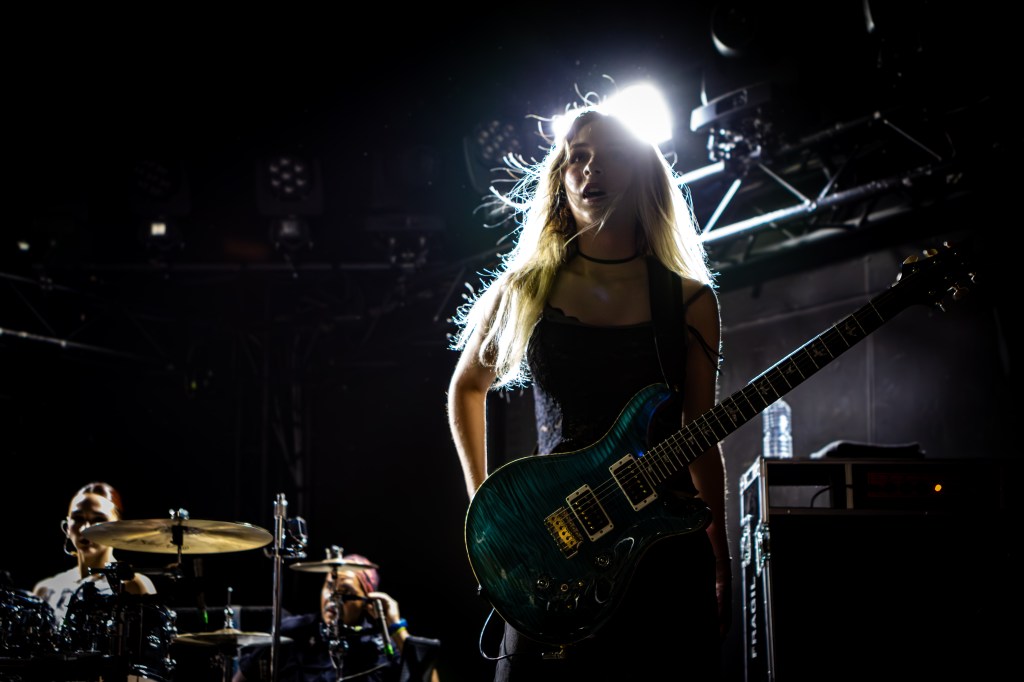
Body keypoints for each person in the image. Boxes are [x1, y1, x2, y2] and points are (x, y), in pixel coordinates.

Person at [446, 105, 732, 680]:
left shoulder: (691, 300)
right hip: (559, 540)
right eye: (578, 157)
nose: (590, 170)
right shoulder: (528, 287)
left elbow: (700, 437)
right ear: (561, 177)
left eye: (610, 157)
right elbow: (466, 389)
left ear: (642, 174)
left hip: (663, 551)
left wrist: (720, 554)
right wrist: (490, 517)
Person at [232, 552, 441, 682]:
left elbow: (428, 679)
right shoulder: (291, 631)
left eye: (345, 590)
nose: (334, 597)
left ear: (367, 601)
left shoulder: (383, 644)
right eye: (329, 587)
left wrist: (396, 626)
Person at [33, 480, 157, 627]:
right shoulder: (46, 590)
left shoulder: (132, 586)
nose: (85, 528)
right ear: (66, 528)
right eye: (78, 519)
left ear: (118, 528)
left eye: (98, 520)